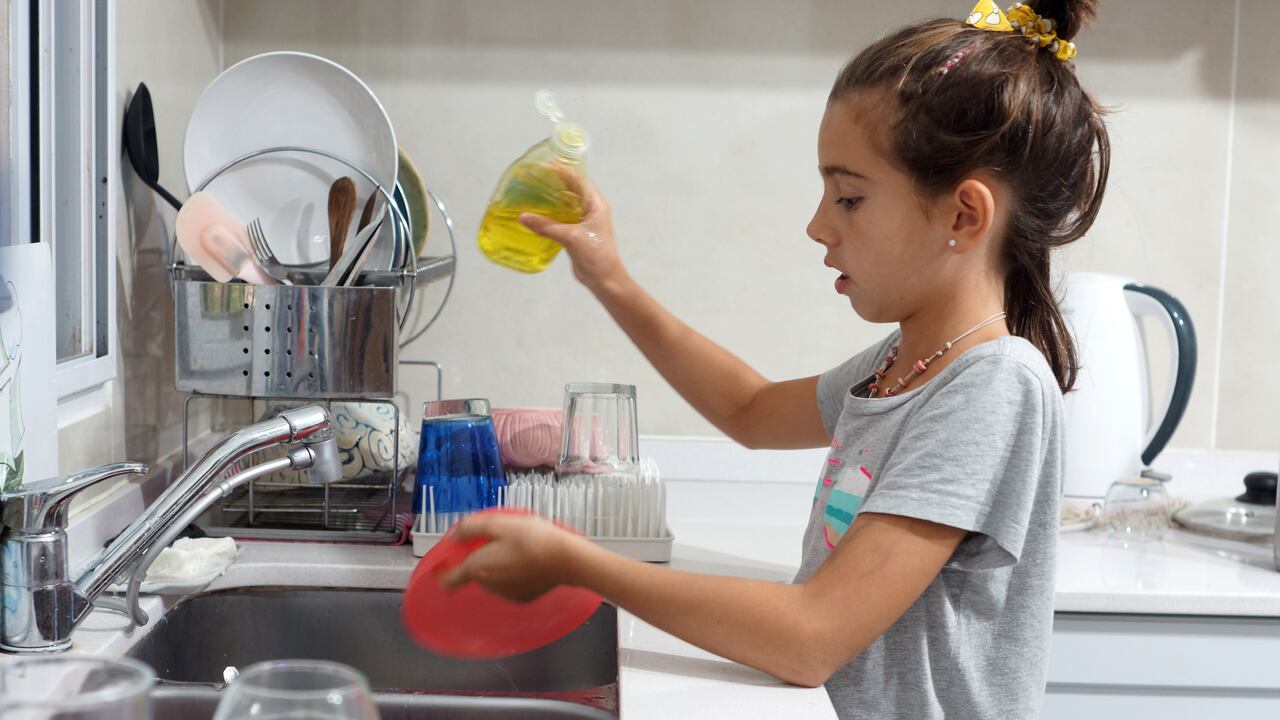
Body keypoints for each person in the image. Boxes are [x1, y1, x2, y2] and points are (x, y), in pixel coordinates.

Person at [444, 1, 1109, 716]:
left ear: (962, 215)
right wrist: (610, 277)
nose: (818, 226)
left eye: (849, 197)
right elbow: (750, 410)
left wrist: (575, 564)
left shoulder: (992, 385)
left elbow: (811, 636)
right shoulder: (908, 360)